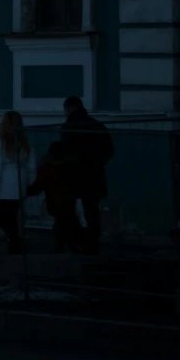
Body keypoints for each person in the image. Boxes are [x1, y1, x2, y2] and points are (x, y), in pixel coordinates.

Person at [59, 96, 112, 254]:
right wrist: (97, 163)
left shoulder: (68, 126)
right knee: (92, 210)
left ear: (68, 109)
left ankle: (73, 241)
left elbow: (64, 152)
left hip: (73, 174)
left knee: (66, 209)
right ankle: (92, 242)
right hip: (94, 174)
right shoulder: (96, 125)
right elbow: (109, 151)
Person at [0, 110, 34, 256]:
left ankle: (15, 243)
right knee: (12, 217)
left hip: (4, 186)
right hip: (19, 183)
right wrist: (29, 184)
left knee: (6, 219)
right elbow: (31, 164)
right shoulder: (24, 141)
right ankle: (15, 244)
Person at [30, 138, 90, 255]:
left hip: (54, 203)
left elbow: (38, 186)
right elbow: (78, 184)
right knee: (68, 224)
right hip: (68, 202)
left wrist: (27, 191)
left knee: (63, 225)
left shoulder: (47, 168)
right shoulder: (70, 167)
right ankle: (72, 247)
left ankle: (64, 247)